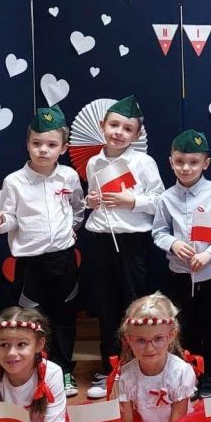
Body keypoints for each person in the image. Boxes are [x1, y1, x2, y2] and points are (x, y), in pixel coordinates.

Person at [0, 105, 85, 397]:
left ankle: (64, 369)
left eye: (51, 145)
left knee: (64, 316)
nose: (43, 150)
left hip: (63, 260)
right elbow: (10, 218)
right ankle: (35, 372)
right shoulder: (14, 181)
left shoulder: (69, 176)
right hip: (30, 263)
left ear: (63, 148)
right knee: (31, 321)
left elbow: (78, 207)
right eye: (37, 143)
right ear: (27, 144)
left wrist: (72, 228)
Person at [68, 293, 196, 422]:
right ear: (128, 339)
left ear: (171, 336)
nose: (149, 348)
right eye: (141, 340)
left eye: (158, 339)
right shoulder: (126, 375)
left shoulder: (181, 372)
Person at [84, 95, 164, 399]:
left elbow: (159, 201)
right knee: (105, 305)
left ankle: (136, 364)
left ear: (137, 134)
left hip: (132, 241)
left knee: (134, 304)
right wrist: (91, 201)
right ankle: (109, 365)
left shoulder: (144, 162)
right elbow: (91, 198)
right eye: (114, 125)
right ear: (102, 126)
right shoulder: (93, 162)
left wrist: (131, 200)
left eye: (127, 128)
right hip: (100, 238)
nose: (119, 132)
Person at [152, 129, 211, 398]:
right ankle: (189, 374)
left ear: (205, 163)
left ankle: (209, 373)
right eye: (180, 162)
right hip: (179, 273)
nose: (186, 168)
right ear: (171, 162)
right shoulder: (166, 198)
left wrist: (209, 254)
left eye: (193, 162)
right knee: (184, 325)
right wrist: (173, 244)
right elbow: (158, 232)